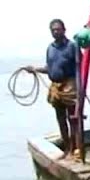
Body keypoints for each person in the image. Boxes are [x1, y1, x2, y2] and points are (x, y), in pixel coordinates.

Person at [28, 19, 80, 155]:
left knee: (73, 118)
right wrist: (35, 69)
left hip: (70, 86)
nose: (56, 32)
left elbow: (81, 67)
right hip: (55, 87)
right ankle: (67, 148)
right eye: (53, 30)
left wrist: (81, 87)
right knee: (60, 118)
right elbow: (49, 68)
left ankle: (75, 148)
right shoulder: (50, 48)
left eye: (58, 29)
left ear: (64, 30)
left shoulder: (72, 46)